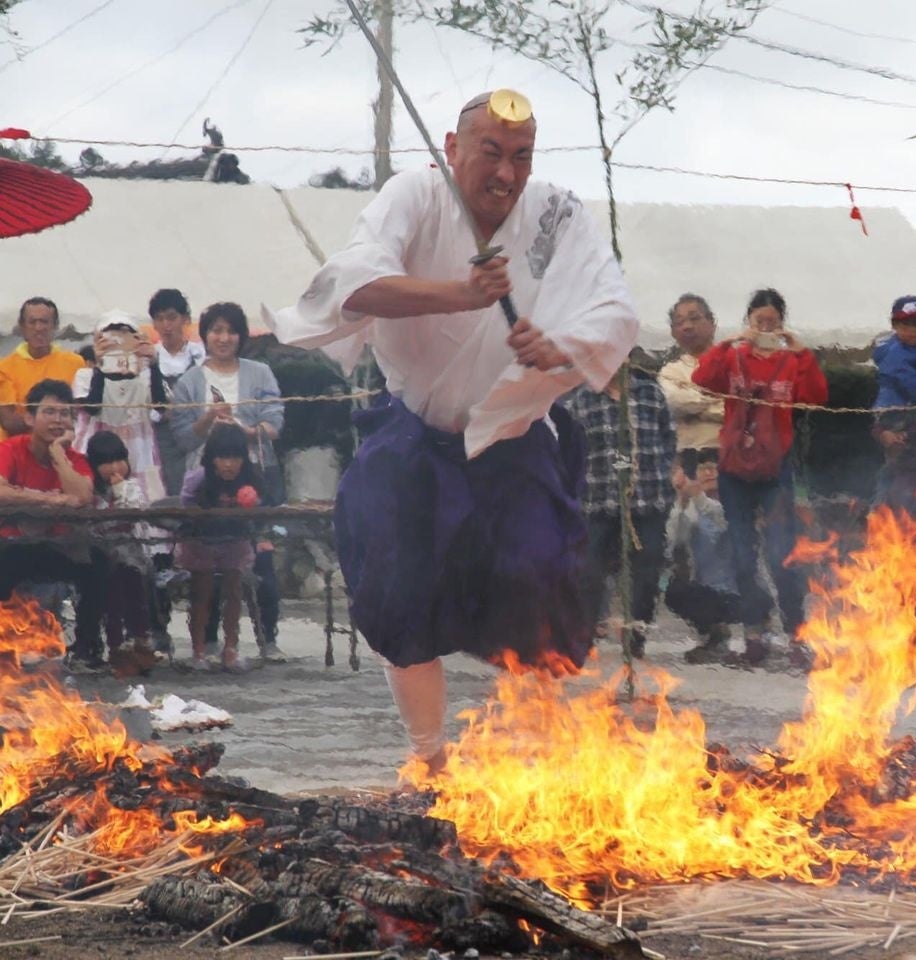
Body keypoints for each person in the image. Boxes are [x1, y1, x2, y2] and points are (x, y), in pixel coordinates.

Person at [269, 88, 637, 774]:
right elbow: (351, 285)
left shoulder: (555, 210)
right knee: (398, 591)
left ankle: (525, 762)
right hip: (417, 434)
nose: (506, 174)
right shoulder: (414, 194)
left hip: (514, 439)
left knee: (540, 585)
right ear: (452, 148)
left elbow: (614, 308)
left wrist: (557, 344)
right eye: (490, 154)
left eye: (521, 157)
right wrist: (459, 294)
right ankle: (428, 759)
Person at [692, 287, 828, 666]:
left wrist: (801, 352)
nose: (765, 327)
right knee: (741, 555)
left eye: (772, 322)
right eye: (758, 322)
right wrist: (729, 343)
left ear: (782, 324)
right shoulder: (734, 358)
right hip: (734, 469)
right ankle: (753, 634)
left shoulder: (790, 361)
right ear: (748, 321)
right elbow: (702, 379)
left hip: (775, 469)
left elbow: (816, 395)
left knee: (782, 554)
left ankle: (797, 637)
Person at [170, 302, 286, 661]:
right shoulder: (189, 381)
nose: (223, 338)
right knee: (207, 562)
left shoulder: (261, 373)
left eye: (230, 330)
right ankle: (207, 641)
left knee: (258, 557)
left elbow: (275, 421)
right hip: (205, 482)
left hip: (251, 476)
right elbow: (181, 438)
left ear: (241, 335)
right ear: (203, 335)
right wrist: (208, 419)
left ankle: (268, 637)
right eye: (216, 330)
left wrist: (247, 432)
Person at [563, 360, 677, 658]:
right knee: (589, 570)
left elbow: (668, 437)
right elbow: (569, 450)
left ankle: (636, 635)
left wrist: (661, 472)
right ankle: (583, 635)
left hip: (648, 497)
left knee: (648, 569)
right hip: (599, 498)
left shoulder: (650, 394)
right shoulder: (581, 401)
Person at [0, 379, 107, 670]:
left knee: (100, 561)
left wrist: (59, 455)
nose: (58, 420)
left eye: (64, 414)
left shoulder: (74, 458)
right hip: (11, 545)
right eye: (49, 412)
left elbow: (82, 496)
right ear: (29, 417)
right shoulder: (10, 449)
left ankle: (86, 648)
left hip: (58, 546)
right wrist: (51, 501)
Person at [177, 423, 264, 673]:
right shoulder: (199, 478)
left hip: (234, 542)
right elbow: (185, 504)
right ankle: (199, 651)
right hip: (201, 543)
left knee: (233, 593)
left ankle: (230, 649)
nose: (228, 464)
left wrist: (252, 502)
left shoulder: (250, 478)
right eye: (222, 457)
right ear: (211, 458)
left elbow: (262, 504)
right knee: (201, 594)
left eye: (235, 457)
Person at [85, 429, 159, 674]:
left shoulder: (133, 487)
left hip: (132, 556)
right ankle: (117, 647)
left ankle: (142, 642)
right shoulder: (92, 494)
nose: (115, 467)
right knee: (113, 602)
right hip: (105, 557)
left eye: (120, 460)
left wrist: (120, 491)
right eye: (107, 462)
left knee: (137, 598)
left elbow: (136, 509)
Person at [73, 311, 168, 502]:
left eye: (124, 336)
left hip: (139, 449)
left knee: (146, 503)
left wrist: (153, 364)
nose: (118, 342)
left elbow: (161, 407)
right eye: (111, 336)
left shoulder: (145, 375)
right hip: (97, 448)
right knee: (96, 500)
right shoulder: (86, 375)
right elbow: (92, 407)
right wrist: (101, 366)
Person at [666, 451, 743, 663]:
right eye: (702, 469)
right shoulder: (693, 507)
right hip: (707, 588)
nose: (709, 473)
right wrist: (681, 503)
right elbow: (673, 541)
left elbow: (721, 523)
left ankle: (757, 636)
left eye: (713, 467)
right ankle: (714, 635)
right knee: (674, 590)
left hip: (739, 590)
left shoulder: (736, 501)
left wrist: (698, 497)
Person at [871, 295, 916, 512]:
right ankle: (880, 509)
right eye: (905, 324)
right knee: (896, 463)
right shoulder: (895, 353)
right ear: (894, 325)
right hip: (895, 413)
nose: (912, 330)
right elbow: (914, 385)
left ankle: (888, 509)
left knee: (904, 466)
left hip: (905, 411)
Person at [147, 289, 207, 497]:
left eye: (172, 317)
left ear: (186, 319)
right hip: (165, 436)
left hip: (199, 431)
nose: (166, 325)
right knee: (172, 490)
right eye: (160, 319)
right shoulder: (149, 356)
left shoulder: (202, 354)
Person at [0, 298, 88, 439]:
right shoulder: (4, 367)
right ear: (22, 326)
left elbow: (80, 415)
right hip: (17, 450)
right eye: (32, 322)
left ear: (55, 326)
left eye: (44, 322)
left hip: (63, 447)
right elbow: (9, 422)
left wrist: (36, 419)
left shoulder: (75, 363)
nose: (38, 328)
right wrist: (55, 421)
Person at [658, 294, 726, 475]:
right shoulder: (670, 371)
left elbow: (740, 410)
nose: (687, 326)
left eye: (694, 318)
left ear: (712, 322)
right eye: (679, 323)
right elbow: (673, 402)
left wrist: (693, 410)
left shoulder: (733, 363)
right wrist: (716, 397)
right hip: (686, 464)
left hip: (730, 459)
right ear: (673, 332)